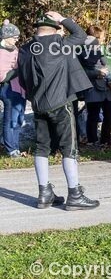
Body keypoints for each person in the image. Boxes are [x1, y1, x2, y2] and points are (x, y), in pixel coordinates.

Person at [17, 11, 97, 209]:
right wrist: (63, 19)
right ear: (55, 29)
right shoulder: (58, 44)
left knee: (41, 147)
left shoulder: (25, 49)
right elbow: (80, 35)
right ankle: (75, 195)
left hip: (38, 105)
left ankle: (44, 193)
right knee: (69, 148)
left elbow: (22, 79)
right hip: (61, 103)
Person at [0, 20, 26, 157]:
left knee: (19, 118)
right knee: (11, 119)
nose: (17, 40)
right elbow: (2, 76)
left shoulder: (14, 49)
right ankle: (10, 149)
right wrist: (18, 70)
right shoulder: (1, 52)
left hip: (20, 88)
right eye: (14, 37)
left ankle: (15, 146)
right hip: (9, 89)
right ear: (6, 36)